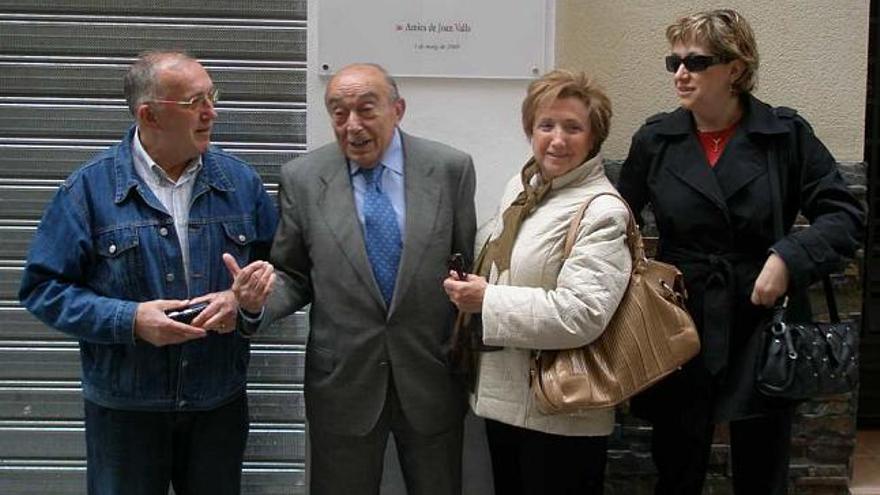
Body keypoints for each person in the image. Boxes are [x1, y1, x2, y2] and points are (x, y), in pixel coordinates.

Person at [617, 9, 865, 495]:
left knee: (762, 467)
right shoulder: (656, 140)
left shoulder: (784, 136)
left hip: (761, 316)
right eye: (674, 61)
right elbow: (617, 220)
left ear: (735, 67)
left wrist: (788, 259)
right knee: (677, 463)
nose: (681, 73)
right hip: (679, 319)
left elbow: (844, 217)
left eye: (696, 61)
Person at [18, 51, 279, 495]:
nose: (211, 112)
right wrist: (132, 320)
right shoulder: (88, 190)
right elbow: (43, 289)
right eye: (195, 101)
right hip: (126, 411)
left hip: (217, 403)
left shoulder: (241, 184)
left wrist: (243, 303)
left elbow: (280, 273)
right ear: (149, 114)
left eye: (212, 96)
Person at [228, 63, 476, 495]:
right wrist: (254, 303)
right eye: (338, 113)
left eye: (366, 109)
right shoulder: (302, 178)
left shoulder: (450, 169)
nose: (352, 126)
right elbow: (292, 274)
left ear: (397, 109)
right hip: (342, 382)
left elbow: (465, 265)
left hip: (431, 376)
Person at [442, 69, 631, 495]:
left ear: (594, 137)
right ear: (531, 129)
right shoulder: (523, 188)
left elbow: (581, 315)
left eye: (573, 127)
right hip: (507, 402)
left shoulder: (601, 210)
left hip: (563, 413)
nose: (557, 139)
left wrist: (487, 300)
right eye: (546, 125)